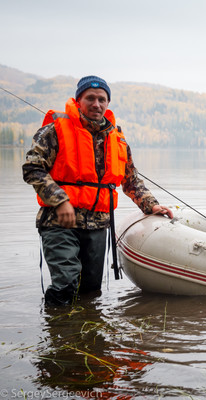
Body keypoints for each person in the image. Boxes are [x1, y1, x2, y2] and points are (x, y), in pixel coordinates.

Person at [23, 75, 173, 307]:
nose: (96, 104)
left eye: (102, 99)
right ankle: (58, 335)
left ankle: (89, 338)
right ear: (78, 100)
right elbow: (32, 168)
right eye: (90, 98)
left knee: (91, 290)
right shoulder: (55, 131)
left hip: (98, 225)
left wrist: (151, 205)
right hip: (59, 222)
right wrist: (60, 200)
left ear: (108, 103)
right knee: (65, 285)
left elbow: (131, 180)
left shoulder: (118, 140)